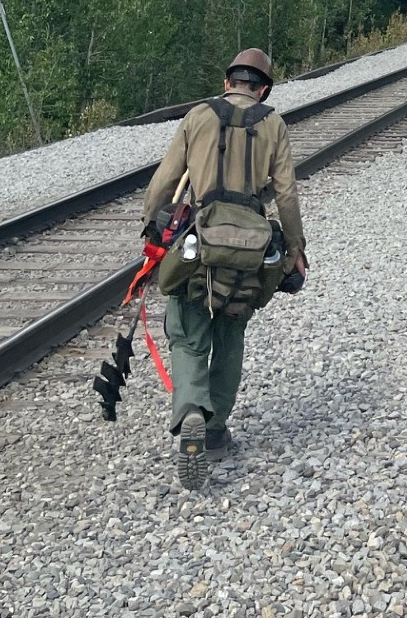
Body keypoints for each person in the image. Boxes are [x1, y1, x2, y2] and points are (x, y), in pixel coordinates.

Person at [140, 46, 307, 485]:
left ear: (227, 82)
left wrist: (150, 227)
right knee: (231, 330)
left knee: (188, 331)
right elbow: (287, 195)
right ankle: (214, 432)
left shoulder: (198, 116)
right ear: (264, 88)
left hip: (200, 237)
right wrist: (295, 247)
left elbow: (163, 181)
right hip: (250, 247)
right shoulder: (273, 123)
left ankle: (192, 409)